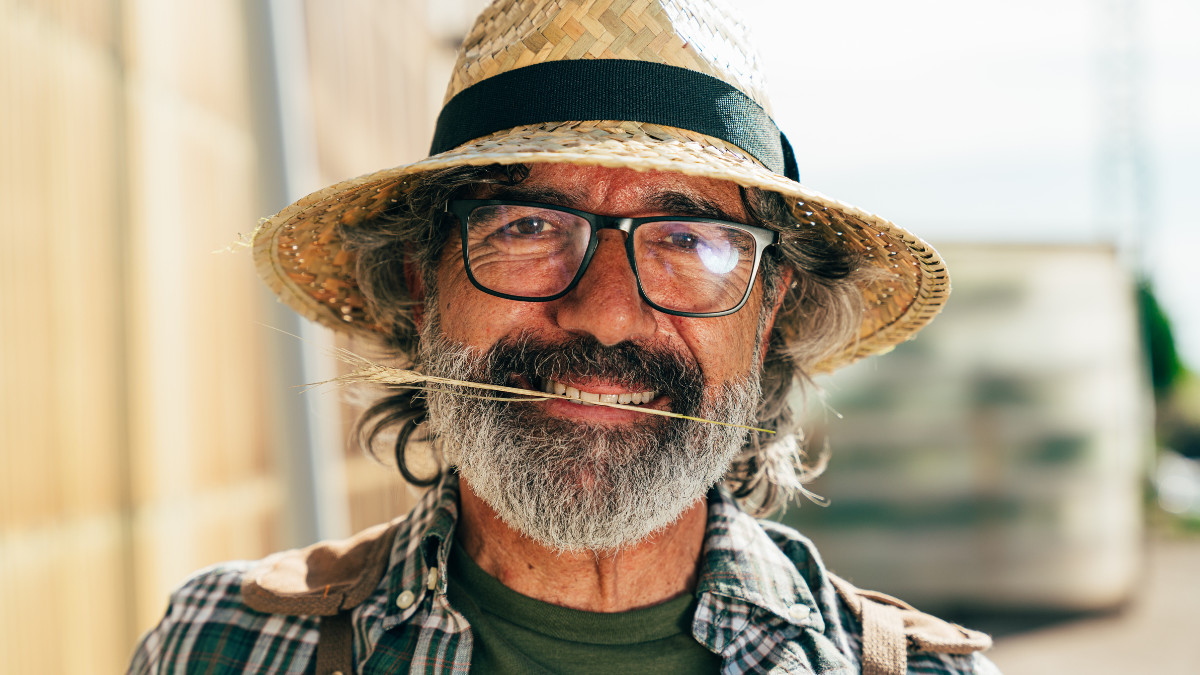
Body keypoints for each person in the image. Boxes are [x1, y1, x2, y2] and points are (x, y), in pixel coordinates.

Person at [129, 1, 999, 673]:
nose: (606, 312)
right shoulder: (225, 648)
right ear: (422, 287)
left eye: (689, 239)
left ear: (767, 315)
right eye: (527, 226)